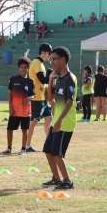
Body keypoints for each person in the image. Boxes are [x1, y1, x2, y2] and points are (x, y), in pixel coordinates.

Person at [42, 46, 77, 190]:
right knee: (48, 150)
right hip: (56, 121)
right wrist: (50, 80)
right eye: (50, 60)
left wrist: (60, 120)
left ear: (63, 59)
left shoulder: (70, 78)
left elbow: (70, 101)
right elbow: (50, 98)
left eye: (54, 59)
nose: (51, 62)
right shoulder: (59, 78)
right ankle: (56, 179)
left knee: (57, 153)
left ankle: (67, 181)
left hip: (65, 122)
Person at [0, 57, 35, 155]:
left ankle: (23, 149)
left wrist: (28, 98)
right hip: (15, 110)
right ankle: (9, 148)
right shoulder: (13, 79)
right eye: (21, 67)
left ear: (28, 68)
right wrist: (10, 107)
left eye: (25, 67)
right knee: (10, 129)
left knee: (25, 130)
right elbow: (10, 94)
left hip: (26, 111)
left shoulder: (31, 81)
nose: (23, 69)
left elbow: (34, 95)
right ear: (19, 68)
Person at [24, 43, 53, 155]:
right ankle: (27, 145)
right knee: (33, 122)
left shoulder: (40, 63)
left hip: (42, 98)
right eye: (49, 53)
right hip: (37, 98)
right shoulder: (37, 63)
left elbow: (41, 82)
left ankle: (49, 142)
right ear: (43, 53)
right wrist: (52, 75)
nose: (49, 55)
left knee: (49, 118)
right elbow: (42, 79)